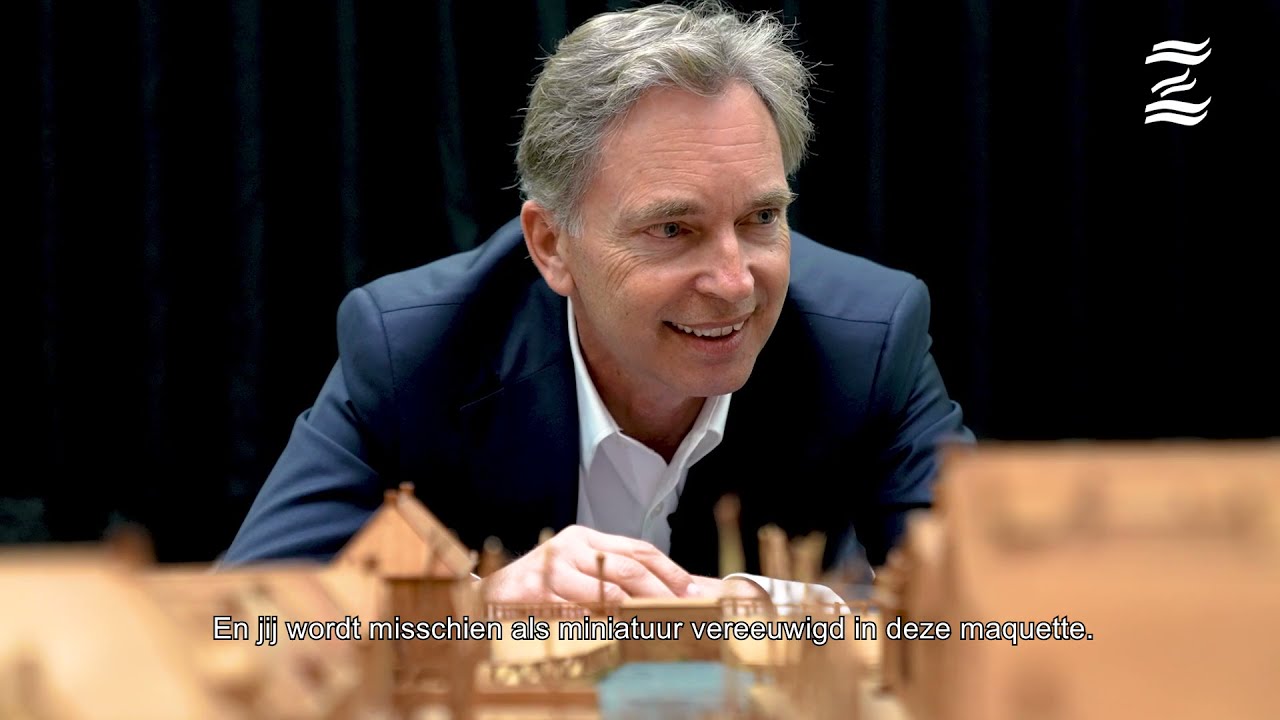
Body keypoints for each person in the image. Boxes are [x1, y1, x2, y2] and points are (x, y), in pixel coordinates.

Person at [221, 0, 973, 605]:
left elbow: (1002, 622)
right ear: (552, 245)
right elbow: (241, 622)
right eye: (673, 229)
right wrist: (473, 607)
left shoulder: (869, 338)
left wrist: (768, 608)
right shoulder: (415, 346)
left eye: (761, 218)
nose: (735, 282)